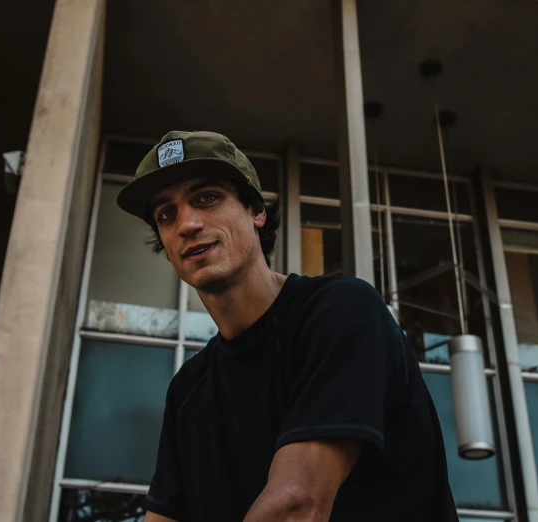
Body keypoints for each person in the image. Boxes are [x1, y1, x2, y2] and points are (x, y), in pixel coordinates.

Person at [116, 131, 458, 522]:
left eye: (206, 198)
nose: (187, 224)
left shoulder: (342, 311)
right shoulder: (188, 391)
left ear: (256, 211)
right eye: (166, 214)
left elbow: (297, 507)